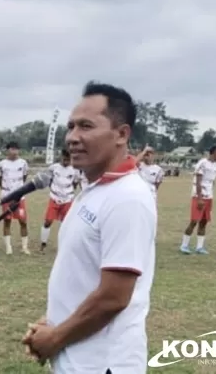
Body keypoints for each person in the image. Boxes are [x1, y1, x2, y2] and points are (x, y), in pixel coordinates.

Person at [22, 82, 156, 374]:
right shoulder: (95, 189)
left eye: (86, 126)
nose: (72, 137)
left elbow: (113, 297)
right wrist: (53, 321)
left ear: (121, 134)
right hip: (78, 355)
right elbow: (83, 275)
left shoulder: (128, 197)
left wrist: (56, 337)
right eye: (70, 127)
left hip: (103, 363)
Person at [180, 145, 216, 254]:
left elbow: (212, 182)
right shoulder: (202, 163)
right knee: (194, 221)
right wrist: (199, 198)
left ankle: (199, 247)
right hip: (199, 196)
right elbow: (198, 180)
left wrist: (211, 194)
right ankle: (184, 245)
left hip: (209, 196)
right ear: (215, 153)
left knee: (204, 222)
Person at [40, 149, 79, 254]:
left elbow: (75, 184)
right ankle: (43, 243)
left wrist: (68, 193)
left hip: (67, 199)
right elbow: (49, 180)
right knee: (48, 221)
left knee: (65, 223)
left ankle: (62, 246)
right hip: (54, 197)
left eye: (69, 160)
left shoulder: (75, 170)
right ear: (61, 157)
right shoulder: (53, 168)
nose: (67, 162)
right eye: (65, 159)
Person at [0, 141, 30, 255]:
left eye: (16, 149)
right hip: (6, 196)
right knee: (7, 221)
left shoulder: (23, 163)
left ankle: (24, 247)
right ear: (7, 150)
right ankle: (8, 247)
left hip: (20, 197)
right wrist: (6, 191)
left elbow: (24, 177)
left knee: (23, 221)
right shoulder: (2, 164)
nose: (14, 151)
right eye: (12, 149)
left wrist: (19, 191)